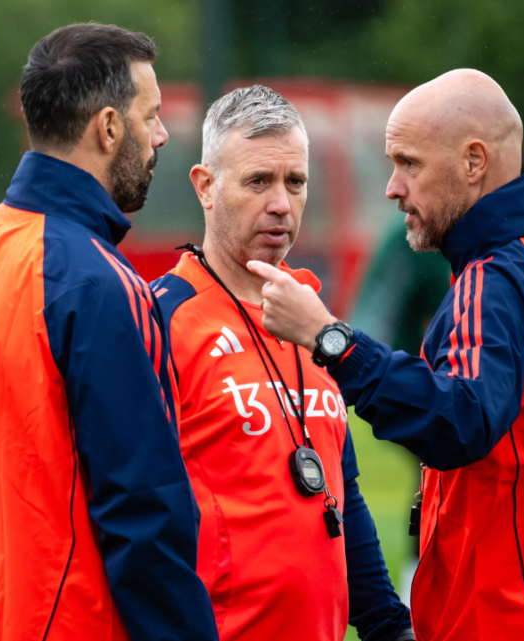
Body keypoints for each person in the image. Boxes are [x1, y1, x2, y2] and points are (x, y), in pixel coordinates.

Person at [248, 69, 524, 639]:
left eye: (409, 164)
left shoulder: (495, 279)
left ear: (474, 162)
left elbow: (459, 420)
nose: (393, 186)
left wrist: (330, 339)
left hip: (515, 615)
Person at [0, 23, 218, 641]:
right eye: (151, 116)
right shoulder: (97, 281)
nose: (161, 136)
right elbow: (142, 510)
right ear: (107, 128)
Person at [151, 86, 414, 641]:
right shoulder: (160, 318)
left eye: (295, 182)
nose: (280, 203)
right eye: (257, 182)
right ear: (205, 187)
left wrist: (390, 625)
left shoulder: (315, 317)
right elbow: (133, 514)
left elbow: (341, 492)